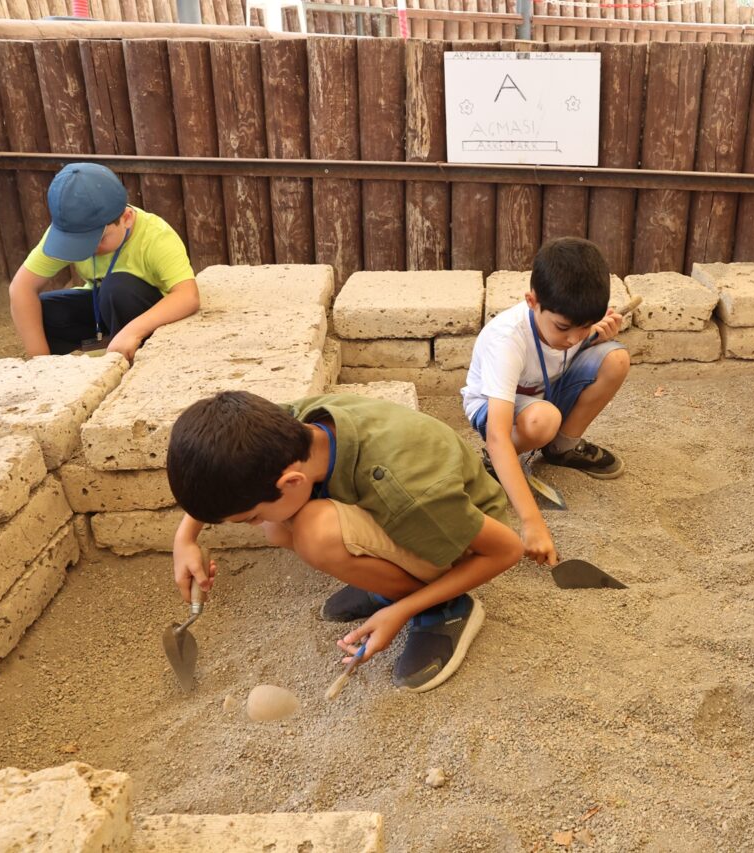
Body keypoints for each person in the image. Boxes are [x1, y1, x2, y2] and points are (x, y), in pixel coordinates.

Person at [166, 391, 523, 693]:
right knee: (277, 527)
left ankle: (442, 607)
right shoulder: (293, 426)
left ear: (291, 482)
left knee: (313, 533)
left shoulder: (409, 494)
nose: (252, 524)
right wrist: (185, 538)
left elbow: (507, 550)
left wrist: (401, 611)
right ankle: (392, 580)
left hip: (461, 539)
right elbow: (225, 463)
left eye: (250, 516)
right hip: (413, 511)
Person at [461, 237, 631, 566]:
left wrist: (595, 334)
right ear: (531, 301)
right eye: (564, 327)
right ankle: (497, 465)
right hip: (496, 410)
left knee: (615, 359)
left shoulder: (572, 324)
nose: (573, 338)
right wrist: (532, 522)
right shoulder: (507, 339)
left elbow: (576, 336)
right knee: (543, 420)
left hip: (544, 393)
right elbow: (496, 433)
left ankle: (561, 449)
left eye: (584, 327)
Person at [8, 162, 200, 361]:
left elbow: (188, 295)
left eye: (97, 240)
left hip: (148, 313)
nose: (87, 249)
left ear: (126, 218)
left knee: (117, 288)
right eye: (76, 242)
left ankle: (133, 359)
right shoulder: (70, 232)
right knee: (43, 311)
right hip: (102, 308)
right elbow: (21, 288)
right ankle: (97, 353)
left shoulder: (157, 237)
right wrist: (40, 363)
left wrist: (133, 331)